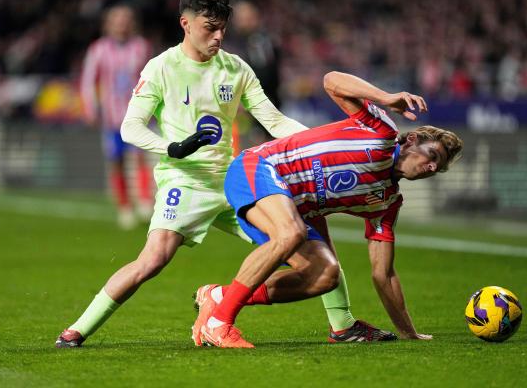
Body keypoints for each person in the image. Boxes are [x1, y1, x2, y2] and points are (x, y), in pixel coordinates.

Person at [55, 0, 390, 348]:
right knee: (152, 260)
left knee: (319, 259)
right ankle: (77, 329)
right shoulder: (162, 67)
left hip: (234, 183)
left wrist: (325, 143)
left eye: (222, 29)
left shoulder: (235, 68)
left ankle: (341, 325)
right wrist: (173, 147)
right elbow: (130, 127)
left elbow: (275, 122)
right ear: (185, 23)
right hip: (185, 182)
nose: (217, 37)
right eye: (209, 27)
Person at [192, 71, 463, 348]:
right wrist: (386, 98)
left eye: (437, 168)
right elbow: (331, 80)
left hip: (290, 208)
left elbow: (384, 274)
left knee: (324, 275)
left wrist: (409, 332)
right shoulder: (382, 131)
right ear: (413, 139)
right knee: (291, 233)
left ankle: (219, 297)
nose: (431, 168)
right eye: (433, 156)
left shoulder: (386, 202)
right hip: (260, 167)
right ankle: (219, 323)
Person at [80, 4, 153, 229]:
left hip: (137, 114)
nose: (121, 23)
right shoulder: (98, 49)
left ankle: (144, 200)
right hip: (111, 119)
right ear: (108, 24)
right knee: (117, 162)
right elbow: (88, 81)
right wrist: (91, 108)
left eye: (126, 19)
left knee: (140, 157)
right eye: (117, 19)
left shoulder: (141, 47)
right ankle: (124, 207)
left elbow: (153, 77)